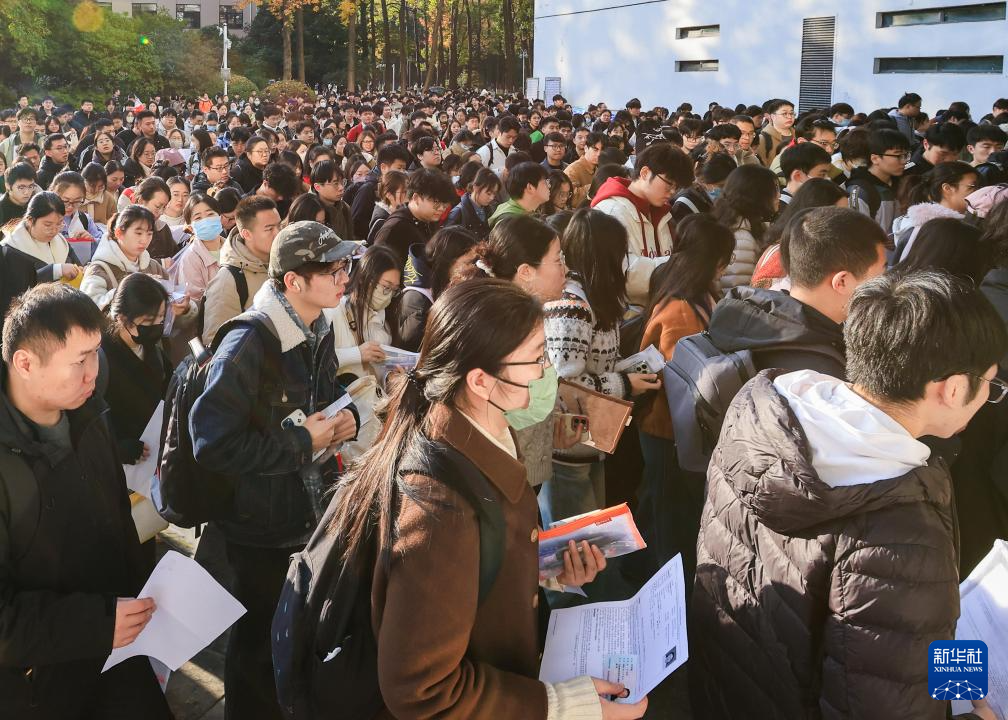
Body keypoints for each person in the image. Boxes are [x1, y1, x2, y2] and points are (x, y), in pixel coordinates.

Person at [691, 270, 1006, 720]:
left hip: (729, 687)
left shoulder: (763, 410)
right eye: (991, 384)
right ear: (952, 388)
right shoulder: (901, 528)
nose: (990, 395)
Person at [325, 278, 640, 719]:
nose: (546, 372)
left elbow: (475, 571)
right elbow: (421, 688)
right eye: (537, 358)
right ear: (481, 381)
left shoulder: (479, 429)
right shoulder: (440, 505)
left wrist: (548, 570)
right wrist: (566, 706)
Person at [189, 221, 360, 720]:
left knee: (291, 639)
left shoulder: (318, 324)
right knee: (256, 651)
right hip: (259, 527)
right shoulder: (249, 342)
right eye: (332, 270)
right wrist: (302, 441)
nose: (344, 278)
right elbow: (211, 442)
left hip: (304, 510)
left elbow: (321, 394)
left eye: (345, 267)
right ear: (293, 281)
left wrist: (346, 415)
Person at [0, 283, 172, 719]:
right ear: (25, 363)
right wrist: (98, 624)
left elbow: (117, 519)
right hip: (46, 684)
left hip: (121, 651)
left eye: (96, 353)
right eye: (79, 360)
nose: (93, 373)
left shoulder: (90, 414)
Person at [542, 209, 660, 526]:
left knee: (591, 531)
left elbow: (596, 363)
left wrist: (630, 370)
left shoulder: (592, 297)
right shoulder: (572, 305)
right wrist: (625, 382)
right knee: (575, 539)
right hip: (567, 445)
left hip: (589, 438)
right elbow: (566, 384)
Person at [635, 213, 735, 580]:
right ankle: (664, 586)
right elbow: (682, 375)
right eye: (724, 260)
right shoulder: (681, 309)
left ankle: (641, 571)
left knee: (659, 505)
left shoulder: (695, 295)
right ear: (712, 261)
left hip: (676, 428)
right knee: (668, 516)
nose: (726, 268)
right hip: (667, 428)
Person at [707, 206, 887, 381]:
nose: (886, 283)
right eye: (882, 273)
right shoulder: (821, 376)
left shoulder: (760, 314)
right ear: (842, 282)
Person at [592, 142, 695, 303]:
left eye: (677, 187)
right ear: (645, 173)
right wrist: (681, 264)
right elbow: (623, 275)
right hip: (625, 313)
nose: (673, 192)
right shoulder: (610, 211)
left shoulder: (660, 212)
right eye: (669, 183)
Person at [101, 272, 173, 468]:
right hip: (124, 465)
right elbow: (90, 418)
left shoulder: (152, 349)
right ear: (123, 319)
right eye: (149, 321)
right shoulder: (100, 357)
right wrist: (117, 446)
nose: (156, 326)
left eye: (161, 318)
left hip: (156, 454)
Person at [80, 205, 192, 319]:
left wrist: (183, 307)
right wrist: (127, 292)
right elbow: (89, 312)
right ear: (119, 233)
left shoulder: (153, 267)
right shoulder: (99, 269)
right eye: (138, 233)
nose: (144, 240)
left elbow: (172, 298)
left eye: (149, 234)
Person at [201, 196, 282, 345]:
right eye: (269, 229)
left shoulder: (284, 263)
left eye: (279, 226)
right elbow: (216, 342)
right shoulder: (228, 281)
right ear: (246, 234)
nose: (278, 233)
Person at [751, 178, 849, 290]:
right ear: (815, 214)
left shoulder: (806, 246)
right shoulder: (783, 252)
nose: (845, 222)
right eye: (838, 215)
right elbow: (764, 296)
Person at [397, 226, 479, 352]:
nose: (474, 269)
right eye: (468, 263)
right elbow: (416, 351)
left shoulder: (443, 284)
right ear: (446, 262)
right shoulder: (418, 301)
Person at [325, 244, 400, 381]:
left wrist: (391, 376)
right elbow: (318, 363)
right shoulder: (335, 310)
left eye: (394, 290)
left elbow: (379, 372)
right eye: (386, 287)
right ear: (365, 278)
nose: (388, 295)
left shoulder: (385, 320)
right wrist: (357, 354)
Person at [891, 161, 979, 263]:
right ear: (947, 188)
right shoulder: (932, 228)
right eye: (972, 187)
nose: (978, 192)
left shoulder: (940, 224)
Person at [708, 163, 779, 290]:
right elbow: (738, 290)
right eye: (774, 190)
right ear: (757, 194)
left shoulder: (740, 225)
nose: (779, 195)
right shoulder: (741, 238)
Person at [373, 168, 456, 267]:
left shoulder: (429, 220)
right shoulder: (394, 229)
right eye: (436, 202)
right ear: (416, 198)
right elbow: (377, 269)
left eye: (445, 204)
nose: (442, 208)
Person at [847, 128, 910, 236]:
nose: (904, 161)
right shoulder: (860, 191)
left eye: (906, 155)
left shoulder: (902, 183)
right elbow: (857, 234)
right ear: (875, 158)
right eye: (898, 155)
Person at [349, 142, 412, 239]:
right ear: (383, 167)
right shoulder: (368, 189)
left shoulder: (400, 187)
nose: (403, 173)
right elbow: (356, 222)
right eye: (399, 168)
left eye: (404, 169)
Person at [174, 192, 225, 298]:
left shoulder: (234, 247)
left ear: (220, 217)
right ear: (191, 227)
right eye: (198, 218)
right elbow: (194, 299)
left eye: (210, 214)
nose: (206, 220)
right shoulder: (190, 258)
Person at [670, 152, 736, 222]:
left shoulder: (724, 198)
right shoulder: (684, 205)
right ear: (705, 182)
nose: (727, 189)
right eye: (721, 185)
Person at [488, 161, 550, 228]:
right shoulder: (510, 222)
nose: (549, 186)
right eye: (545, 182)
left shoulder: (526, 211)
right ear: (530, 187)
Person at [309, 159, 353, 239]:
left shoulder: (344, 208)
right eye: (335, 183)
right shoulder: (309, 211)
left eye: (342, 182)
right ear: (318, 187)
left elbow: (350, 239)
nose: (341, 188)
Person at [365, 168, 409, 244]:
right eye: (403, 192)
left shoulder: (401, 208)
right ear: (389, 194)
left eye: (408, 190)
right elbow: (373, 245)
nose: (408, 195)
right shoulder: (381, 219)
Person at [565, 131, 606, 207]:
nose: (599, 154)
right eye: (595, 149)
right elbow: (570, 199)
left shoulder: (599, 168)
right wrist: (594, 186)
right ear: (586, 148)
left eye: (602, 150)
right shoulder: (573, 170)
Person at [755, 99, 796, 166]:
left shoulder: (798, 135)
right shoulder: (763, 138)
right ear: (773, 116)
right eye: (784, 114)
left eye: (791, 113)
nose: (789, 117)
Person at [0, 162, 36, 227]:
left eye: (30, 186)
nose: (27, 192)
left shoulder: (36, 204)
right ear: (8, 186)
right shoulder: (1, 209)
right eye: (21, 187)